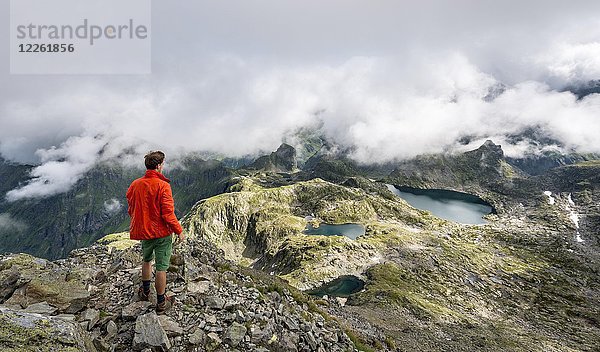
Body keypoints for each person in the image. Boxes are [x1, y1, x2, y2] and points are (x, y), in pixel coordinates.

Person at [126, 150, 185, 314]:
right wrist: (179, 231)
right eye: (163, 164)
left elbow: (131, 208)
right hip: (162, 233)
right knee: (161, 267)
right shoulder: (163, 186)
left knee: (146, 260)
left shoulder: (135, 184)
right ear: (159, 165)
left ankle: (145, 292)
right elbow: (167, 213)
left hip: (144, 232)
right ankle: (161, 302)